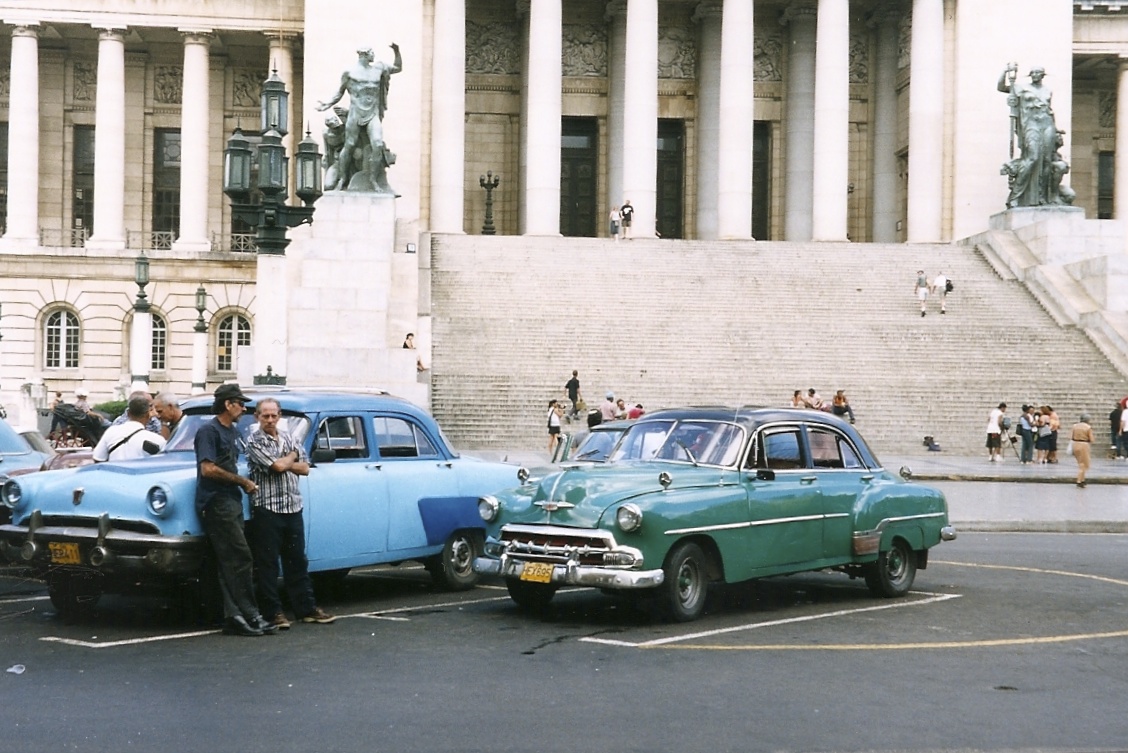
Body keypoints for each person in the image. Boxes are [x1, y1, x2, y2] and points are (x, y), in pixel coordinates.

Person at [245, 398, 337, 629]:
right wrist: (292, 457)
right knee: (268, 564)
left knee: (297, 561)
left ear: (279, 416)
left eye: (273, 415)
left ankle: (306, 608)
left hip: (292, 506)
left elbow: (305, 468)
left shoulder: (290, 438)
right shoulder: (253, 441)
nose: (270, 420)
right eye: (265, 416)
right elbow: (276, 467)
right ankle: (273, 612)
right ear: (257, 417)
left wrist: (288, 461)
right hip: (267, 508)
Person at [194, 383, 277, 637]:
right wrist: (242, 482)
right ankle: (250, 614)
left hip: (230, 500)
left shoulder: (231, 431)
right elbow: (207, 469)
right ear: (227, 404)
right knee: (240, 557)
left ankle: (236, 616)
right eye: (240, 403)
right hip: (217, 501)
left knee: (230, 560)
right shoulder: (209, 431)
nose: (243, 408)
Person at [316, 44, 402, 193]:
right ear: (364, 54)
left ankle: (373, 180)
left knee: (377, 143)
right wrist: (327, 104)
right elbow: (339, 92)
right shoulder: (350, 73)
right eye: (371, 53)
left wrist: (397, 51)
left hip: (372, 113)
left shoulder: (379, 68)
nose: (373, 55)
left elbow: (397, 68)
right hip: (356, 113)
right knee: (349, 145)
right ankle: (343, 178)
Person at [998, 64, 1061, 208]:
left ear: (1042, 75)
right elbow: (1001, 87)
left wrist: (1056, 129)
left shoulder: (1048, 90)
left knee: (1046, 160)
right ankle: (1015, 196)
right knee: (1032, 158)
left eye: (1037, 73)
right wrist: (1005, 71)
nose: (1034, 75)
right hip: (1031, 124)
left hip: (1047, 124)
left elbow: (1050, 110)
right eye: (1032, 73)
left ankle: (1043, 197)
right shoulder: (1021, 88)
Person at [91, 394, 166, 462]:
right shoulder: (157, 440)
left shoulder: (111, 432)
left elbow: (98, 458)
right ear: (148, 415)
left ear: (128, 413)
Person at [1069, 413, 1095, 487]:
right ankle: (1079, 480)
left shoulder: (1075, 426)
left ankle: (1082, 479)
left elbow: (1070, 436)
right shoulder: (1088, 427)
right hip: (1084, 444)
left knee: (1080, 462)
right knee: (1083, 464)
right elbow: (1092, 439)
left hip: (1075, 443)